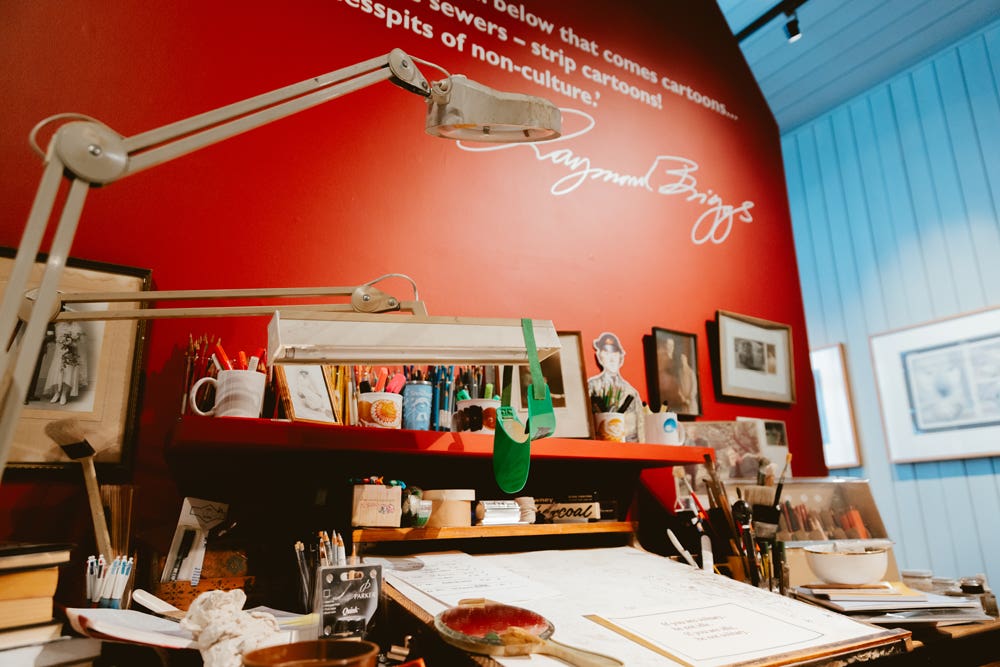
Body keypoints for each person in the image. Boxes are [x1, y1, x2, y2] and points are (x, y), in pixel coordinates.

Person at [587, 332, 645, 443]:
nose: (611, 358)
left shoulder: (631, 392)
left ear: (620, 356)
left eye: (614, 353)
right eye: (606, 352)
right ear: (600, 356)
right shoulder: (592, 386)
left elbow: (640, 427)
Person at [44, 320, 88, 405]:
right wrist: (62, 341)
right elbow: (55, 338)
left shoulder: (76, 326)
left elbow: (79, 341)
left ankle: (64, 394)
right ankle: (56, 393)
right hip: (59, 351)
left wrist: (72, 342)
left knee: (68, 372)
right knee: (56, 371)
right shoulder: (58, 325)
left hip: (71, 352)